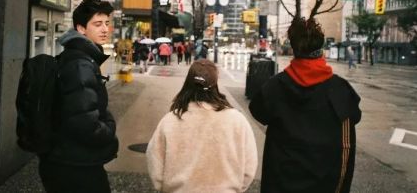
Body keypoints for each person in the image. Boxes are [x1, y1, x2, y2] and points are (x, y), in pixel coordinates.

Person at [249, 17, 361, 193]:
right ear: (321, 49)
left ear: (294, 49)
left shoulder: (275, 87)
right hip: (325, 182)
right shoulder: (340, 90)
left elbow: (257, 111)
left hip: (280, 180)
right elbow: (354, 119)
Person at [38, 0, 119, 193]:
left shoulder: (78, 57)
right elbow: (85, 124)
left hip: (66, 159)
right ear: (81, 28)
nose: (105, 29)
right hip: (74, 165)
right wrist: (109, 129)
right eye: (97, 24)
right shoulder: (80, 64)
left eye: (107, 23)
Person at [146, 59, 258, 193]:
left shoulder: (170, 120)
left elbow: (155, 163)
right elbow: (249, 167)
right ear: (215, 83)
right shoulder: (237, 121)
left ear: (188, 83)